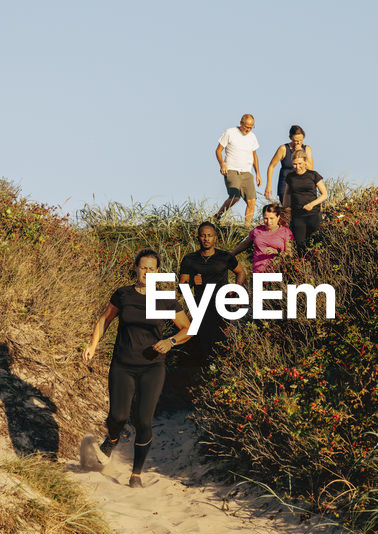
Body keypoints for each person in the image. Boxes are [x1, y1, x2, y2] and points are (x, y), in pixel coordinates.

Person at [82, 249, 191, 487]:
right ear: (136, 268)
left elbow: (188, 328)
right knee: (118, 416)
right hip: (123, 364)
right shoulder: (123, 295)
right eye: (143, 267)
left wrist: (170, 341)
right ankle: (111, 439)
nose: (147, 272)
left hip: (152, 368)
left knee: (143, 420)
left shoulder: (165, 299)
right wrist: (92, 345)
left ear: (158, 272)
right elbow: (104, 320)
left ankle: (136, 474)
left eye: (152, 268)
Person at [178, 222, 246, 368]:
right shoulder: (190, 259)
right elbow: (182, 285)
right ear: (198, 237)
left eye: (209, 235)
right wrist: (191, 281)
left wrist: (235, 289)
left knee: (223, 339)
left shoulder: (225, 256)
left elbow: (241, 272)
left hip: (222, 305)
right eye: (203, 235)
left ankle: (222, 371)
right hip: (200, 307)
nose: (206, 239)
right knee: (202, 343)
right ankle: (204, 373)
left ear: (215, 238)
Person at [214, 114, 261, 228]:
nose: (248, 129)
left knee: (252, 200)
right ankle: (217, 216)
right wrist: (222, 165)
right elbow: (219, 150)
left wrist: (258, 174)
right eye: (246, 126)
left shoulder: (252, 137)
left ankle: (246, 228)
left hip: (247, 172)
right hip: (232, 170)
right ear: (241, 123)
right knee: (235, 197)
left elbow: (254, 156)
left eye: (251, 127)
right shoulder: (230, 132)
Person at [283, 149, 328, 255]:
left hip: (313, 215)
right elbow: (287, 194)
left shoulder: (313, 175)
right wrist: (285, 209)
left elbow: (325, 194)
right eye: (294, 164)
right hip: (297, 216)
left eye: (300, 164)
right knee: (300, 247)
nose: (297, 167)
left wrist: (311, 204)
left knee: (317, 244)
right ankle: (302, 268)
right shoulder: (290, 177)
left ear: (305, 162)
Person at [233, 202, 294, 274]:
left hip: (277, 272)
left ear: (278, 217)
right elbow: (245, 244)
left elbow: (290, 254)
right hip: (258, 272)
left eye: (272, 218)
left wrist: (277, 252)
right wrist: (231, 254)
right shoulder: (257, 230)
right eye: (266, 218)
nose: (268, 222)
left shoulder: (286, 232)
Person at [265, 125, 314, 203]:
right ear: (290, 138)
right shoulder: (283, 149)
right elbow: (271, 166)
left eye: (301, 140)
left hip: (301, 185)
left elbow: (310, 168)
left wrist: (301, 152)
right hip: (285, 184)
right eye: (296, 140)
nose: (298, 142)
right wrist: (268, 185)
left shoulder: (307, 149)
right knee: (287, 211)